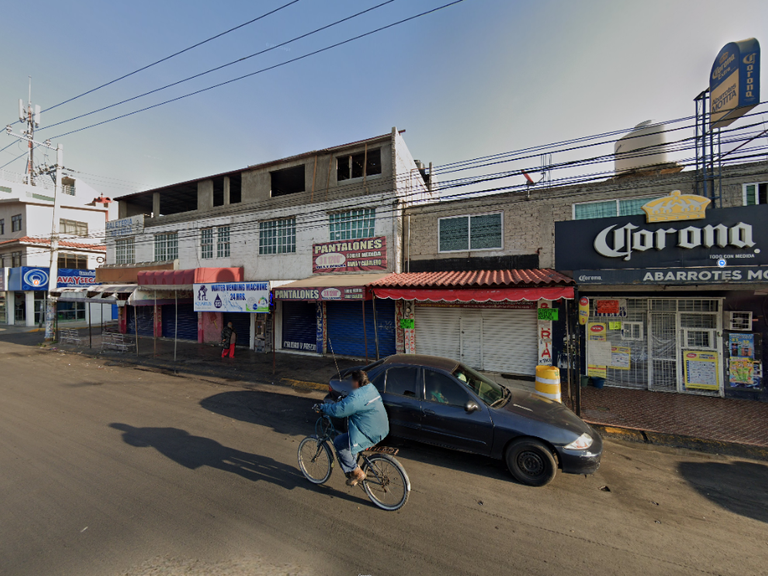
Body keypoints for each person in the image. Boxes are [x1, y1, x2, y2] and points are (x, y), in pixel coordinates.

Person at [319, 369, 390, 486]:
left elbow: (338, 411)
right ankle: (354, 464)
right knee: (349, 439)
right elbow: (355, 401)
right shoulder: (370, 388)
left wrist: (323, 407)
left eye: (351, 381)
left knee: (339, 442)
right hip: (382, 429)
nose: (351, 383)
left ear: (356, 382)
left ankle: (356, 472)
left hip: (368, 433)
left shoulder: (356, 397)